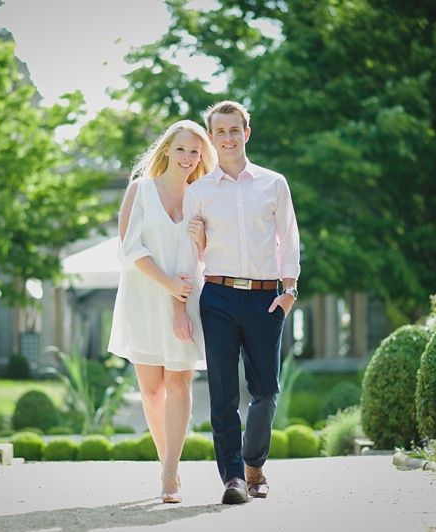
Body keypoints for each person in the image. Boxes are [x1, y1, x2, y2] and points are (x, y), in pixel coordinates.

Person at [175, 101, 301, 504]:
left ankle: (253, 463)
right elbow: (191, 255)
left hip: (266, 298)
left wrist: (289, 289)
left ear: (246, 133)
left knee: (265, 391)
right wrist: (182, 303)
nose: (227, 137)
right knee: (224, 392)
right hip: (219, 296)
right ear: (211, 139)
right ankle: (232, 478)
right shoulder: (198, 192)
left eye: (234, 130)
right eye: (219, 131)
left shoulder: (273, 184)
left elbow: (289, 238)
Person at [107, 119, 217, 504]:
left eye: (196, 152)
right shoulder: (140, 190)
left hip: (186, 298)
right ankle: (164, 460)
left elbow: (199, 256)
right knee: (152, 391)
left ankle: (170, 471)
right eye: (183, 149)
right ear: (167, 149)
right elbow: (129, 249)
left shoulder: (201, 196)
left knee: (179, 382)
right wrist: (167, 284)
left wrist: (180, 303)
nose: (188, 158)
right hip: (143, 296)